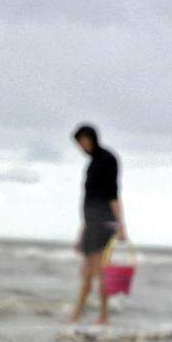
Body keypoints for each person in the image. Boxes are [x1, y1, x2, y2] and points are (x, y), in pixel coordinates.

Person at [70, 123, 126, 325]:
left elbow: (113, 194)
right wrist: (82, 232)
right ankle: (81, 315)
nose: (80, 147)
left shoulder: (107, 160)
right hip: (92, 222)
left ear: (89, 139)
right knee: (88, 273)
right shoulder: (93, 163)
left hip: (103, 223)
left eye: (81, 142)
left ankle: (100, 316)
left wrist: (121, 225)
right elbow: (90, 201)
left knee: (99, 272)